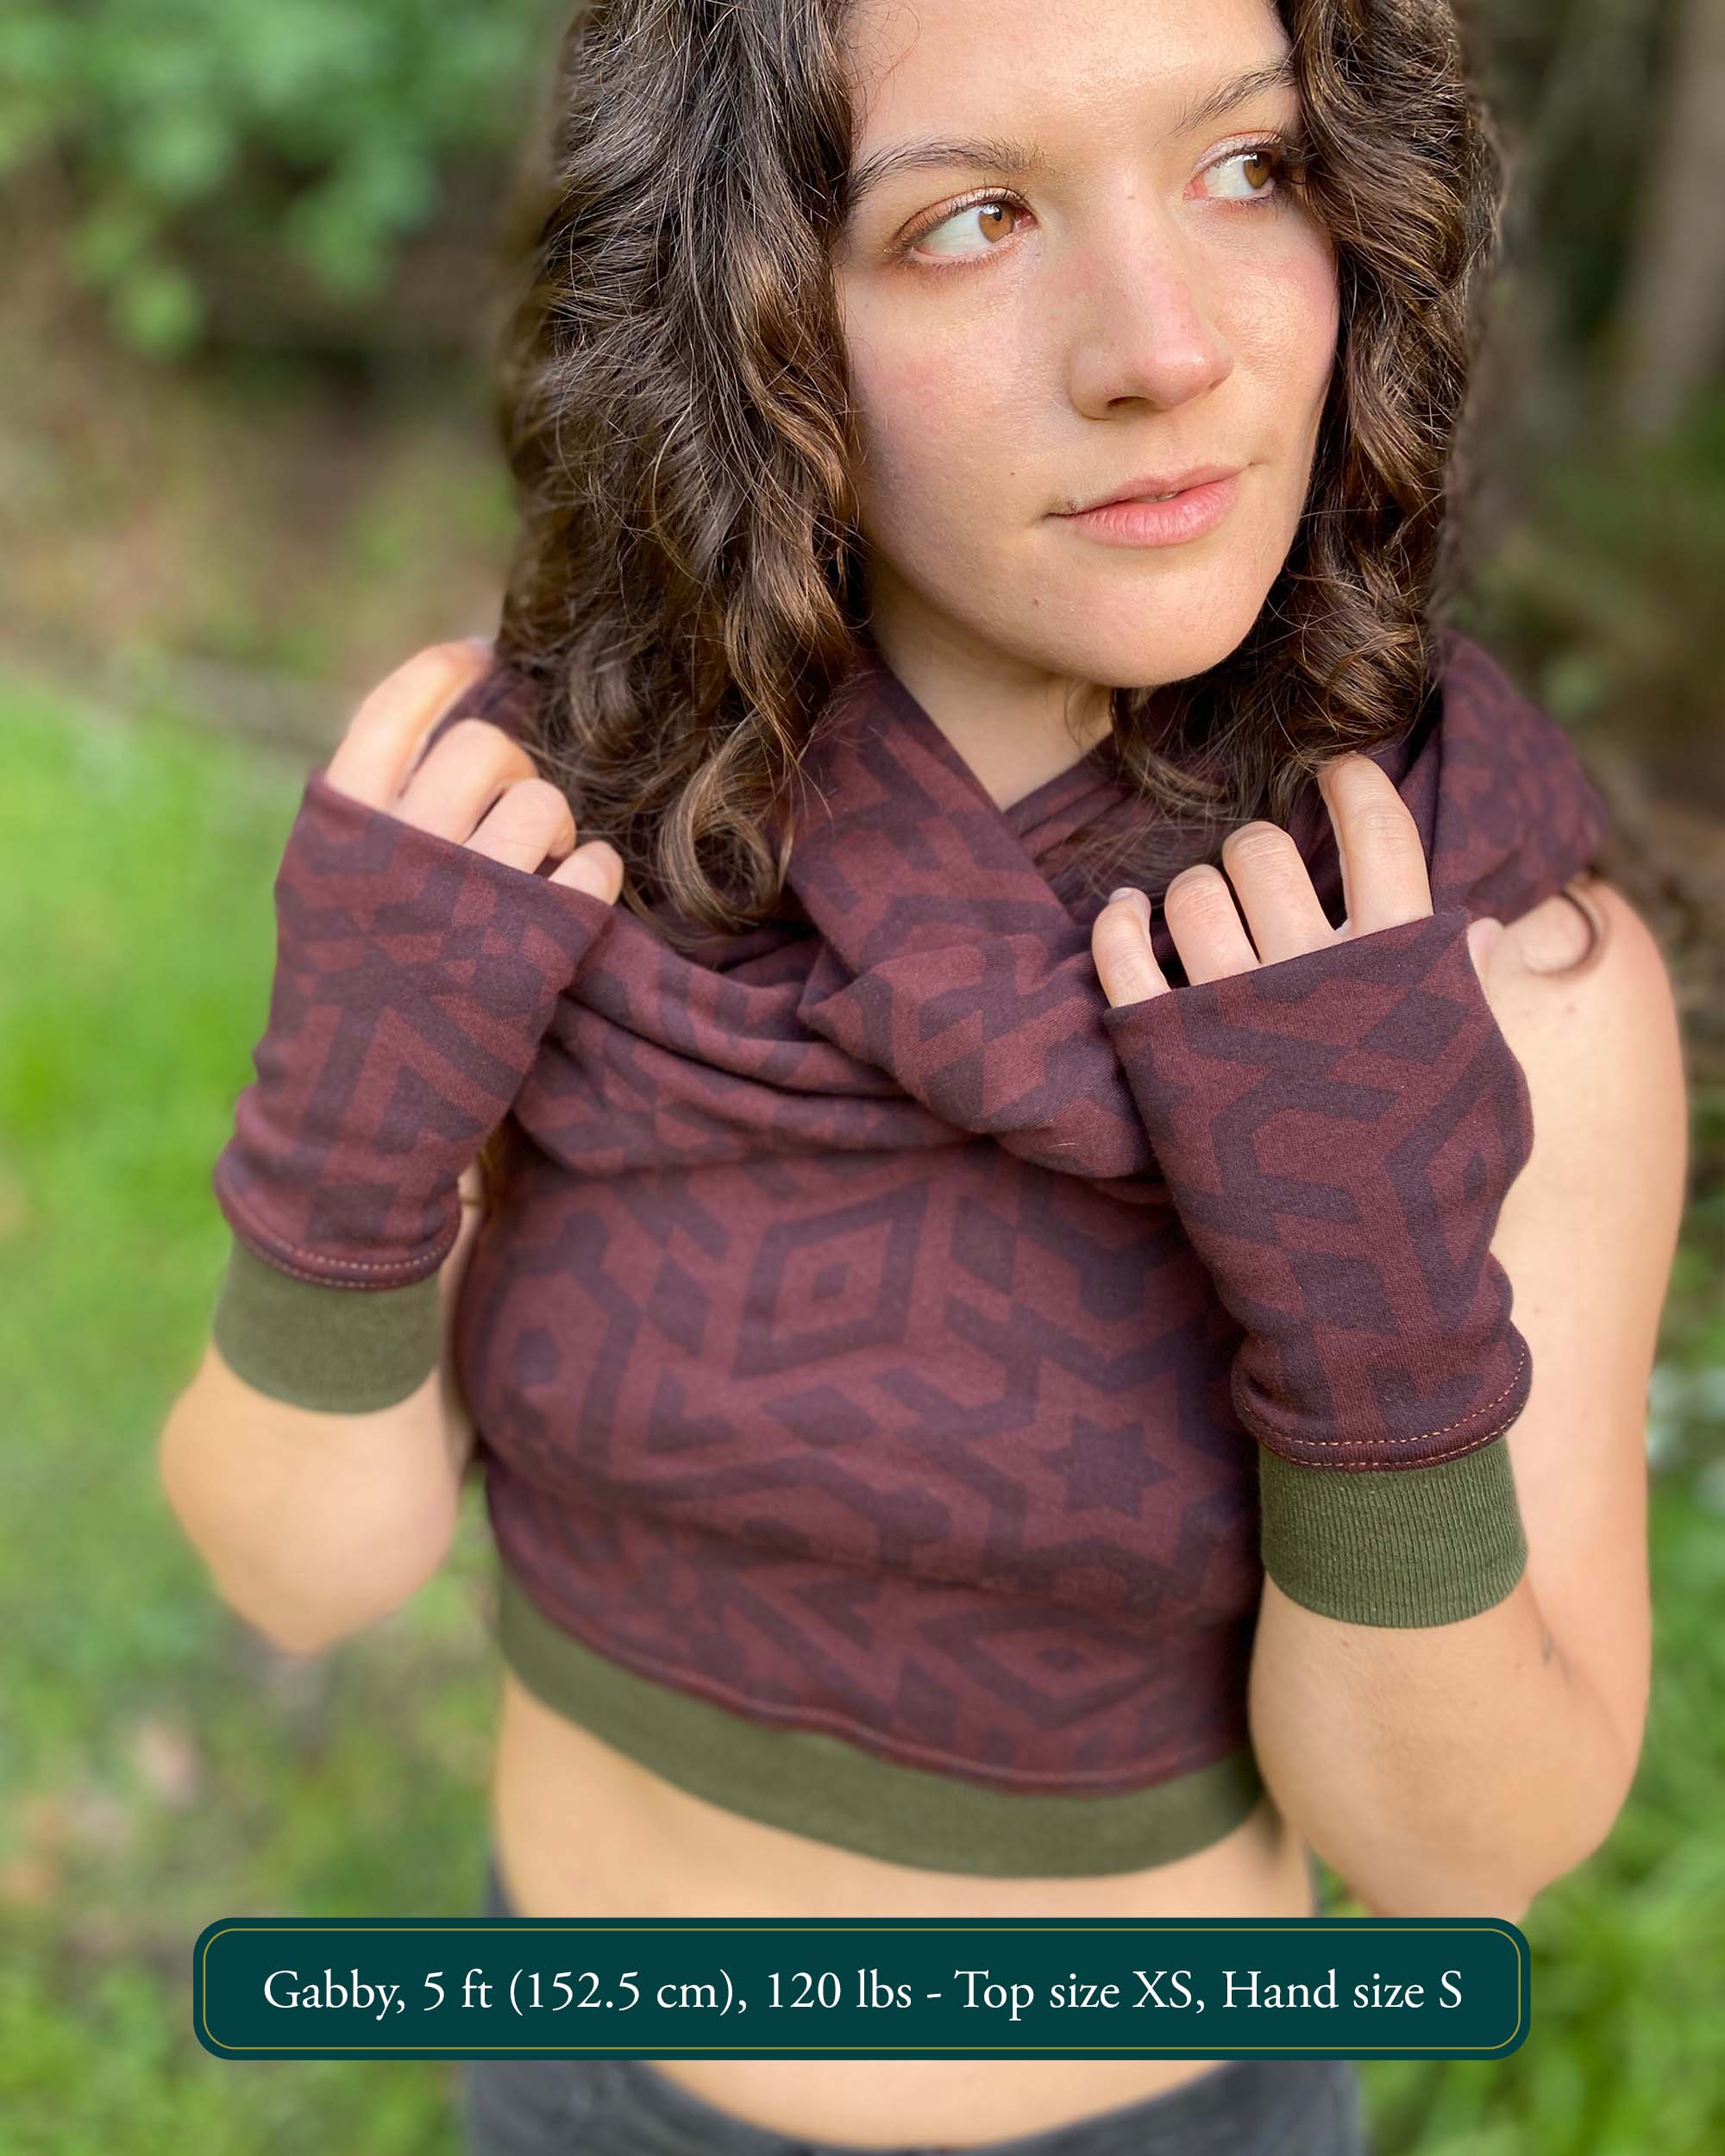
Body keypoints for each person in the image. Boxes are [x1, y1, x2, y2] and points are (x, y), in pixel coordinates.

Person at [157, 0, 1689, 2150]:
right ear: (743, 308)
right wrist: (347, 1133)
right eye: (970, 217)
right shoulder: (553, 851)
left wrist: (1373, 1316)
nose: (1162, 345)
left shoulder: (1485, 972)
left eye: (1248, 170)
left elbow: (1464, 1861)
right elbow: (295, 1568)